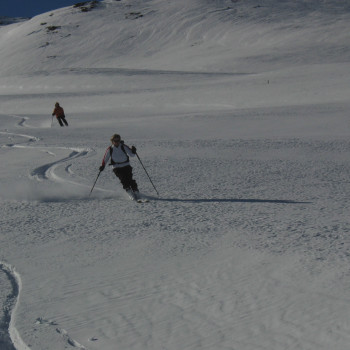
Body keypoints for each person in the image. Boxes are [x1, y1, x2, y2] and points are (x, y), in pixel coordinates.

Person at [99, 134, 140, 199]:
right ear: (112, 141)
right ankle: (130, 193)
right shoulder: (110, 149)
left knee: (130, 179)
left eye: (118, 140)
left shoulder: (123, 146)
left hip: (126, 165)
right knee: (123, 179)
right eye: (115, 140)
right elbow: (105, 158)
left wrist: (133, 151)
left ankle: (136, 191)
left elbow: (132, 155)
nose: (117, 142)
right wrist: (103, 166)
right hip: (116, 167)